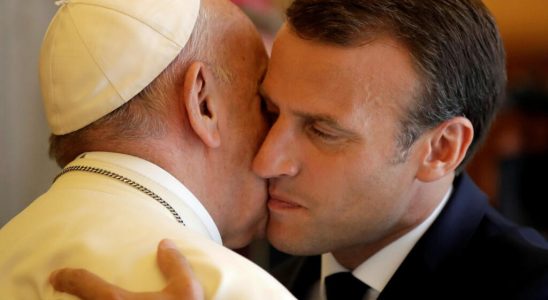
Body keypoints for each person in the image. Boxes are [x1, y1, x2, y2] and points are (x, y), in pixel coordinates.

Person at [49, 0, 548, 299]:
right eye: (269, 110)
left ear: (441, 148)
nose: (267, 160)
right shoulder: (249, 268)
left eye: (322, 131)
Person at [0, 0, 296, 299]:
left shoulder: (7, 251)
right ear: (203, 102)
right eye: (263, 105)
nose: (279, 141)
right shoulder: (230, 288)